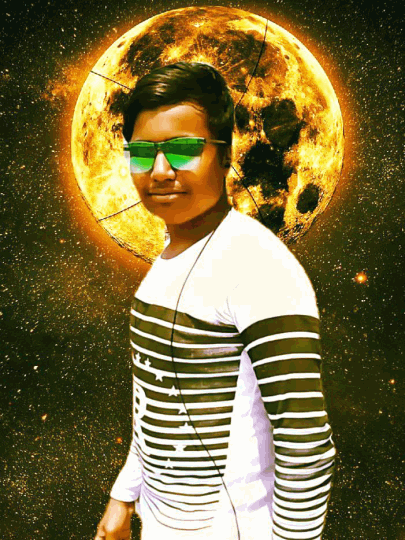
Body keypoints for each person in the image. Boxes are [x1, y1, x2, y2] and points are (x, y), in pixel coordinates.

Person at [95, 61, 336, 540]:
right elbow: (156, 398)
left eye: (183, 149)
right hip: (160, 524)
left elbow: (306, 444)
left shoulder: (259, 268)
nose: (159, 171)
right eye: (142, 153)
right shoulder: (171, 255)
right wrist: (125, 496)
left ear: (226, 155)